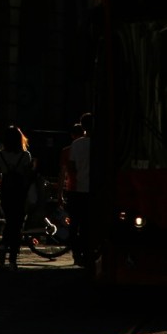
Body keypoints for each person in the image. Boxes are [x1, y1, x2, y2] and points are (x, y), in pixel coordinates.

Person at [0, 125, 34, 268]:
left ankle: (4, 246)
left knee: (9, 220)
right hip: (20, 191)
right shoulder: (25, 155)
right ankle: (12, 257)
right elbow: (28, 175)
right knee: (17, 224)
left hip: (6, 190)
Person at [65, 113, 93, 266]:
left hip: (77, 189)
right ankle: (87, 251)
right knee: (88, 224)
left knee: (75, 223)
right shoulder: (100, 144)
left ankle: (76, 252)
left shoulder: (76, 144)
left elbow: (71, 166)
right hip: (92, 191)